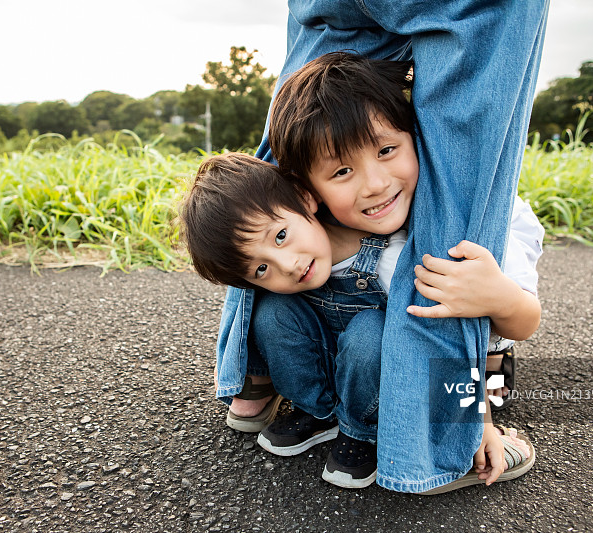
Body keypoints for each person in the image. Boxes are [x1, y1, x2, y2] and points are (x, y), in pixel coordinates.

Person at [215, 1, 549, 493]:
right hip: (346, 365)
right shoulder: (301, 232)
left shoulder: (454, 230)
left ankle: (397, 435)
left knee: (379, 331)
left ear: (421, 137)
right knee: (278, 314)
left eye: (388, 151)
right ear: (304, 189)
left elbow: (518, 324)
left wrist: (473, 421)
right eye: (342, 172)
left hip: (427, 363)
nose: (374, 185)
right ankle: (317, 409)